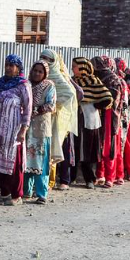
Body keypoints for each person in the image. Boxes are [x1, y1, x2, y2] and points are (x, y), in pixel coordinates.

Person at [0, 55, 32, 206]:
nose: (8, 68)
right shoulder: (0, 83)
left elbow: (28, 109)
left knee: (13, 162)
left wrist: (23, 130)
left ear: (19, 68)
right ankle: (4, 192)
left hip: (13, 131)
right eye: (7, 65)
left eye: (12, 65)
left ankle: (16, 195)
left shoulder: (23, 85)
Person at [39, 50, 76, 190]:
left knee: (52, 148)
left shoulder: (59, 78)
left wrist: (53, 105)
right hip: (40, 119)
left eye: (47, 58)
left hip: (55, 119)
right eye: (41, 57)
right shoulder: (39, 73)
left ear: (53, 61)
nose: (43, 60)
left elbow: (69, 95)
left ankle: (49, 181)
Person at [71, 57, 110, 188]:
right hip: (74, 119)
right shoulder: (72, 81)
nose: (72, 68)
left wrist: (94, 105)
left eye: (75, 66)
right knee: (74, 148)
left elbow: (107, 98)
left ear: (82, 68)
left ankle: (89, 179)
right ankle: (71, 177)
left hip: (89, 120)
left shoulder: (93, 81)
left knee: (87, 151)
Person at [92, 56, 128, 188]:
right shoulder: (97, 78)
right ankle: (101, 174)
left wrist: (97, 102)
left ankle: (110, 177)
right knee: (100, 145)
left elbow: (113, 101)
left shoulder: (113, 80)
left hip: (109, 116)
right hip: (100, 115)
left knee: (109, 146)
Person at [24, 60, 56, 204]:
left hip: (41, 129)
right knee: (27, 160)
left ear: (45, 74)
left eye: (40, 71)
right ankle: (26, 191)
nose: (37, 73)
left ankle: (41, 194)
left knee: (40, 162)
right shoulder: (26, 84)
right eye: (35, 70)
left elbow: (51, 105)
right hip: (26, 128)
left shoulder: (49, 86)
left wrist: (33, 111)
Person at [115, 58, 130, 183]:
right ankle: (120, 172)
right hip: (118, 114)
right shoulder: (113, 78)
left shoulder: (129, 79)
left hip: (128, 114)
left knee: (128, 143)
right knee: (117, 143)